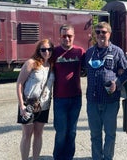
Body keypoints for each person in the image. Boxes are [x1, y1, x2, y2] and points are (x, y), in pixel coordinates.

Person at [85, 21, 127, 160]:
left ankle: (108, 157)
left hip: (110, 101)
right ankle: (97, 158)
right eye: (97, 32)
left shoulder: (117, 51)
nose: (100, 34)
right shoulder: (89, 52)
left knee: (110, 134)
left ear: (109, 34)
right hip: (92, 100)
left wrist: (117, 82)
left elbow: (126, 71)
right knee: (95, 134)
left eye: (103, 32)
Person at [17, 39, 55, 160]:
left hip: (44, 105)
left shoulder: (51, 65)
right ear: (38, 50)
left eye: (49, 49)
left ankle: (36, 158)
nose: (46, 52)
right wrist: (21, 105)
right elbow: (19, 84)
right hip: (28, 104)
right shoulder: (31, 63)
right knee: (27, 135)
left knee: (39, 134)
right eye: (43, 49)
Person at [52, 24, 85, 160]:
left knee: (72, 132)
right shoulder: (54, 52)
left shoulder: (80, 52)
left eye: (69, 36)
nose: (67, 38)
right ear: (60, 37)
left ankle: (68, 157)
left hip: (76, 97)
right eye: (64, 36)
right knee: (61, 132)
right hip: (59, 98)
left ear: (73, 36)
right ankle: (58, 156)